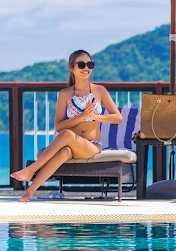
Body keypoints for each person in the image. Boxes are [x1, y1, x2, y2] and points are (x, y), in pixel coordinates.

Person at [10, 49, 122, 202]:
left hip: (91, 145)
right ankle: (29, 192)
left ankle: (32, 169)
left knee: (66, 134)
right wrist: (81, 116)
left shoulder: (99, 90)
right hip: (70, 144)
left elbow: (117, 118)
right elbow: (59, 126)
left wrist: (95, 116)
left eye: (90, 64)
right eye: (81, 65)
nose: (86, 68)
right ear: (71, 68)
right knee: (64, 151)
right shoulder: (65, 94)